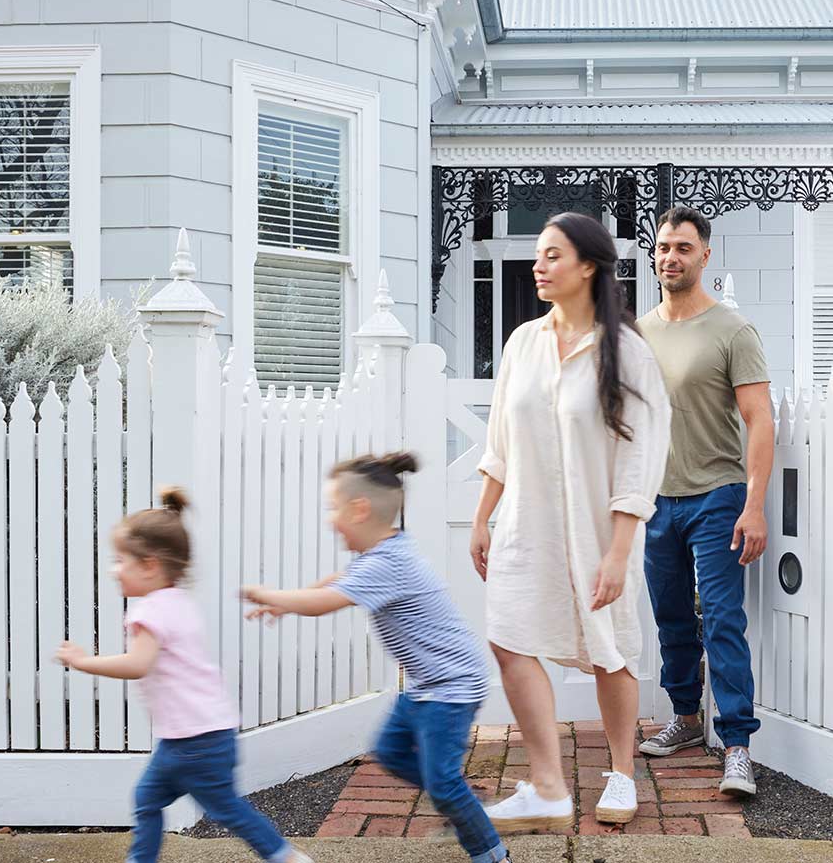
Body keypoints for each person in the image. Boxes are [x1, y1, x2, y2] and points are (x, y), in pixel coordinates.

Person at [470, 211, 672, 831]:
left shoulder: (628, 353)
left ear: (588, 265)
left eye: (553, 255)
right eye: (538, 254)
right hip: (524, 524)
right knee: (509, 637)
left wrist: (618, 552)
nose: (538, 265)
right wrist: (482, 518)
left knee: (609, 647)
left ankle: (619, 771)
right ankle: (548, 783)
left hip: (597, 530)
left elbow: (642, 460)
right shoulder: (522, 343)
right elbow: (501, 440)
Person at [241, 452, 510, 863]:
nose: (330, 518)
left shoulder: (389, 564)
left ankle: (491, 853)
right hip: (427, 683)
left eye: (333, 507)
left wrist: (270, 596)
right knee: (391, 753)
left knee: (441, 782)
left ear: (360, 509)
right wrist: (288, 604)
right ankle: (457, 798)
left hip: (452, 684)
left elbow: (325, 602)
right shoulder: (383, 553)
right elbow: (335, 582)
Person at [55, 488, 310, 863]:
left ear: (150, 565)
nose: (114, 569)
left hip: (195, 742)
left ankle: (285, 857)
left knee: (226, 810)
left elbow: (136, 665)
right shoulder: (178, 603)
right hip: (194, 737)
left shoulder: (150, 612)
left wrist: (83, 661)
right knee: (148, 799)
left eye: (120, 560)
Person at [634, 205, 774, 798]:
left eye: (683, 248)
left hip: (717, 496)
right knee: (670, 614)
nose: (671, 257)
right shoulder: (640, 332)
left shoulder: (732, 330)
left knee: (721, 619)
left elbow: (759, 419)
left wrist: (755, 503)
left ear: (705, 256)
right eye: (664, 247)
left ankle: (737, 744)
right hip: (655, 501)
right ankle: (686, 720)